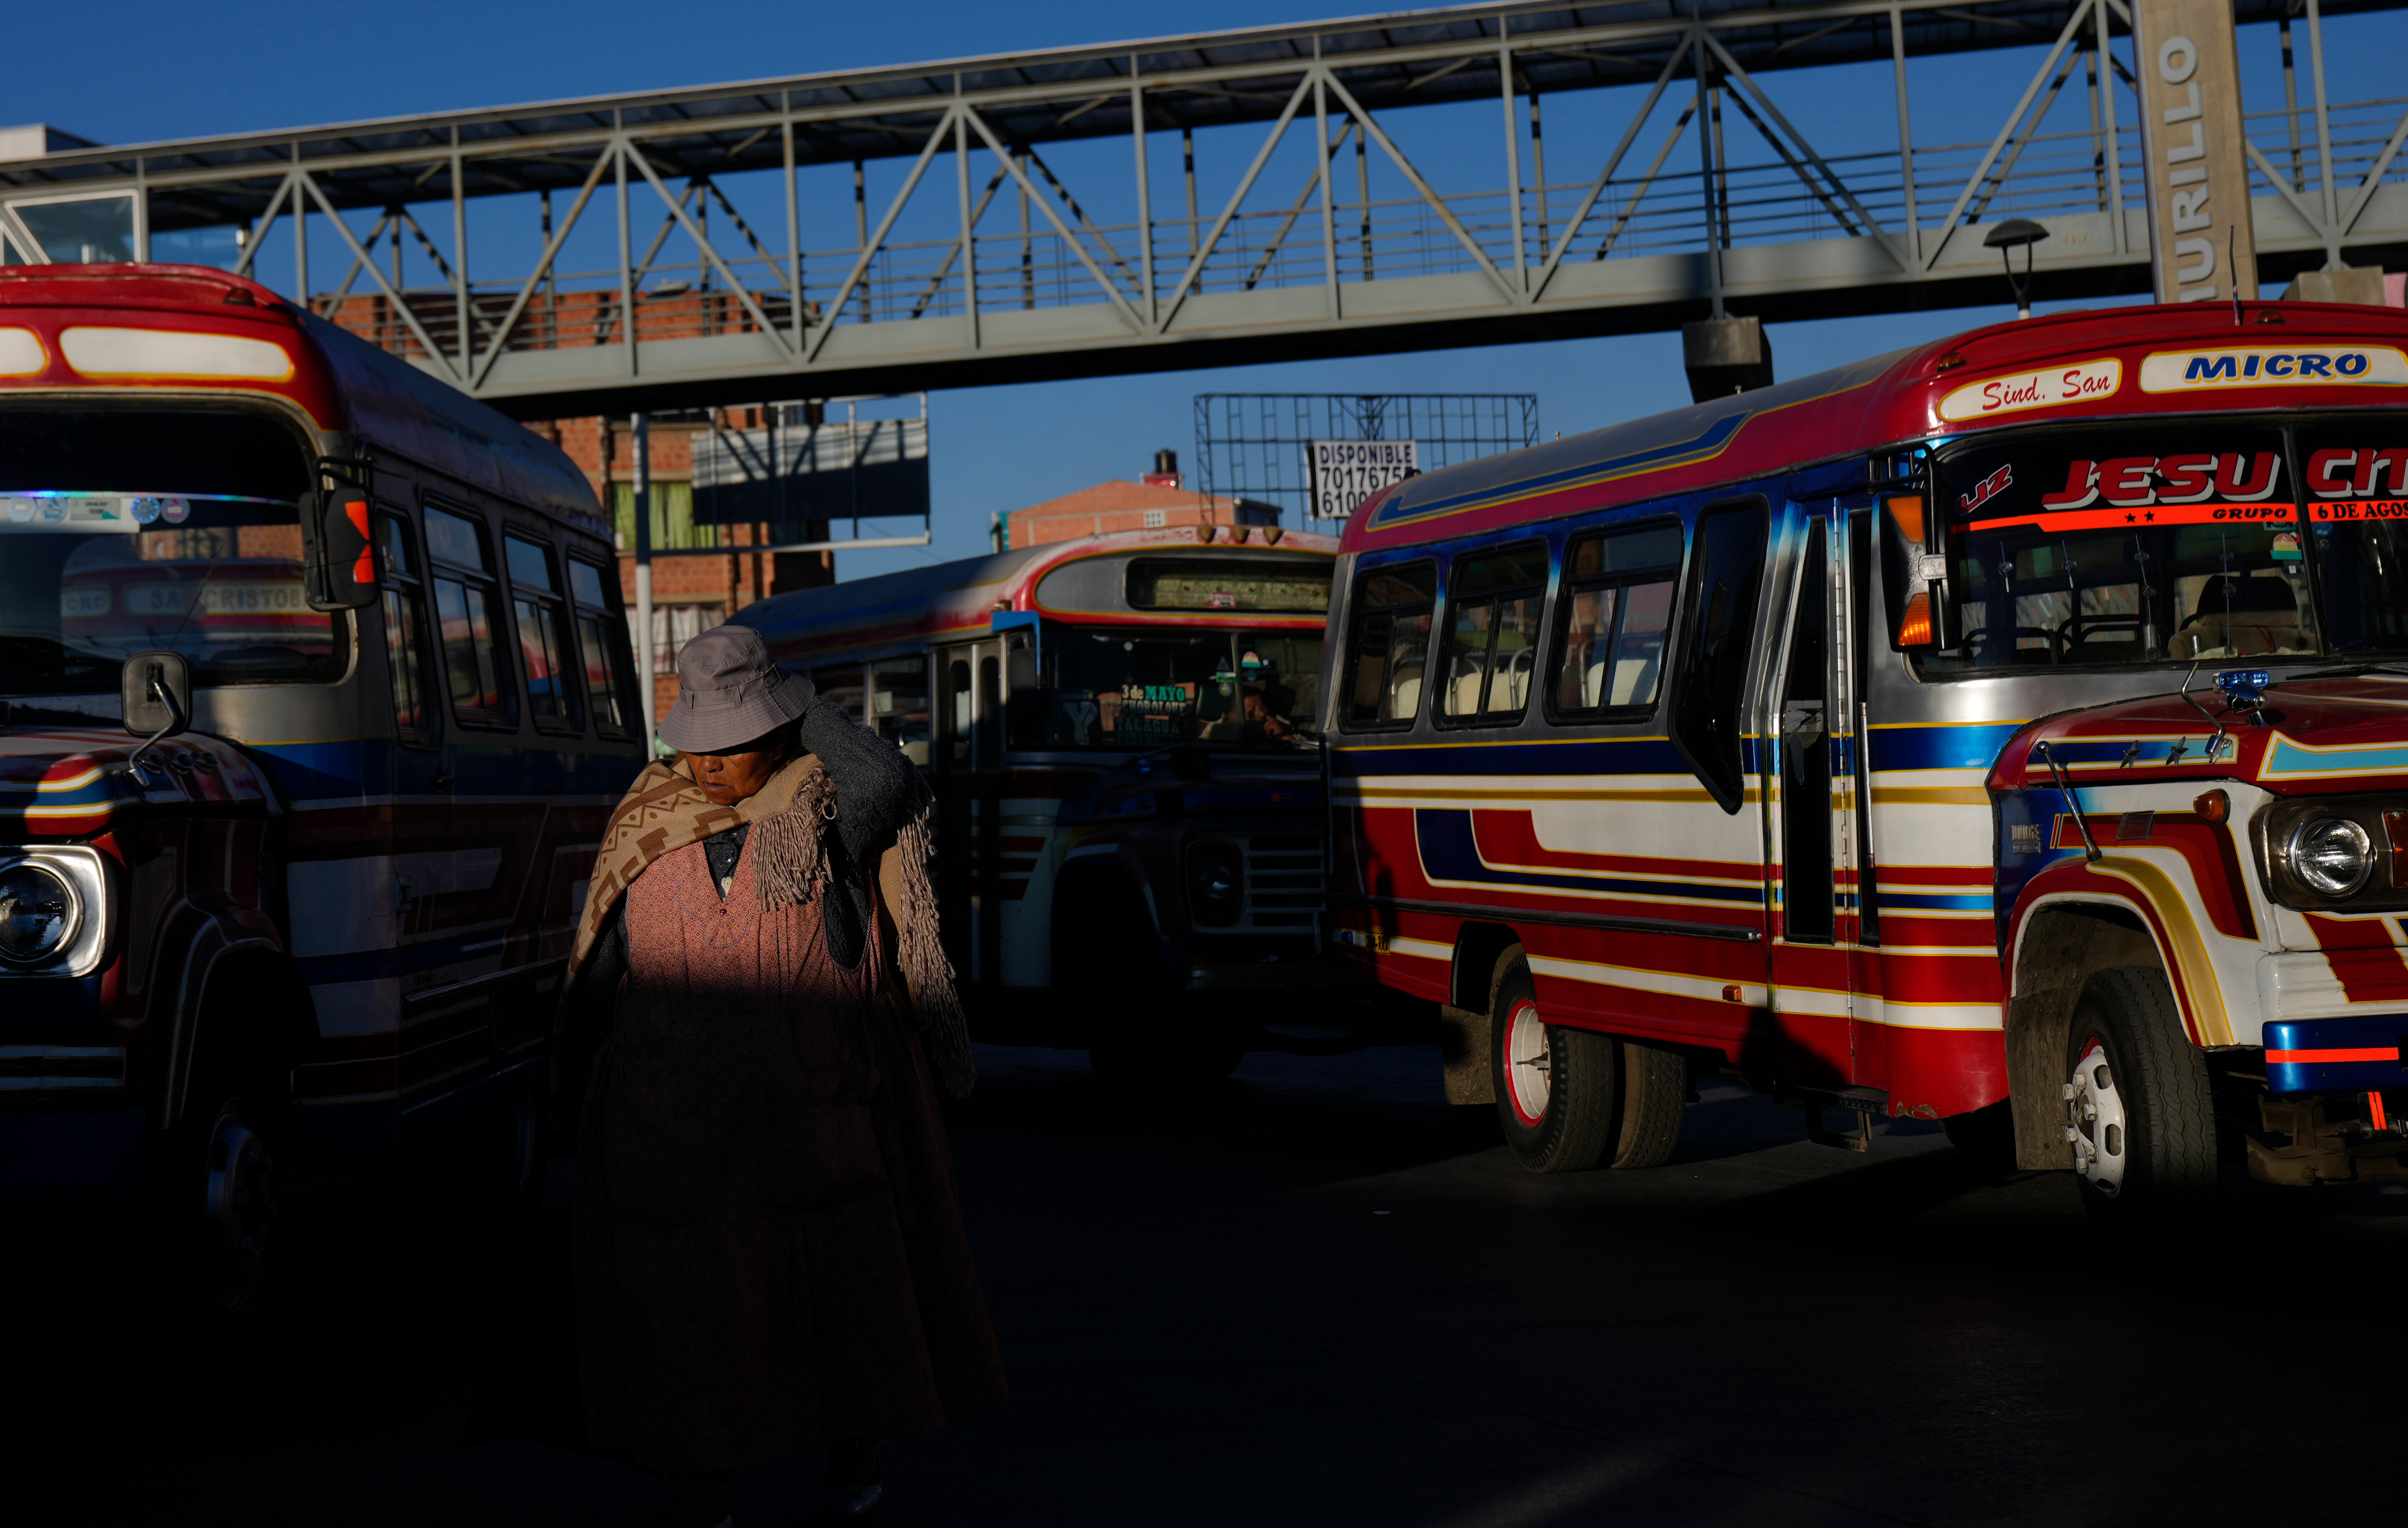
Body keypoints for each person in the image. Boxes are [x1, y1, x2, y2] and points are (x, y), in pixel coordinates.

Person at [554, 624, 1006, 1526]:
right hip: (673, 1130)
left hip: (813, 1119)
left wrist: (803, 715)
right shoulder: (648, 814)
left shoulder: (827, 809)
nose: (712, 761)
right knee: (690, 1311)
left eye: (735, 740)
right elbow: (599, 967)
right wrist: (568, 1101)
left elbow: (889, 777)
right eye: (701, 741)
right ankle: (703, 1483)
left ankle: (853, 1450)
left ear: (778, 732)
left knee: (839, 1296)